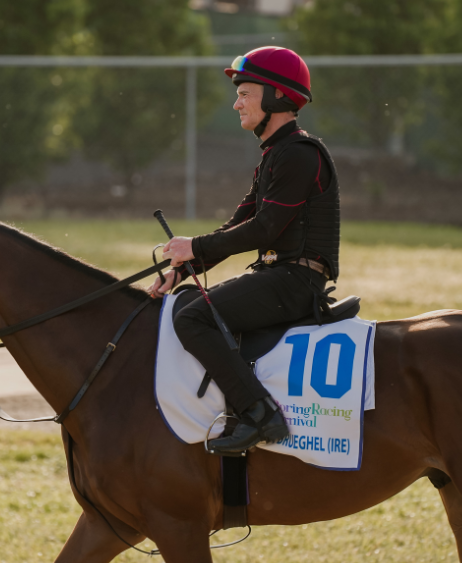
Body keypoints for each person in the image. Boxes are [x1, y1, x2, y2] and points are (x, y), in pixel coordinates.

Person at [149, 46, 340, 455]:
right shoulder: (275, 155)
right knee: (186, 301)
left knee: (193, 316)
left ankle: (259, 414)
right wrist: (181, 269)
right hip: (276, 275)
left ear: (276, 96)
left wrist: (193, 245)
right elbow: (237, 226)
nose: (237, 103)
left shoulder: (300, 154)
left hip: (295, 281)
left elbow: (266, 228)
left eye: (245, 93)